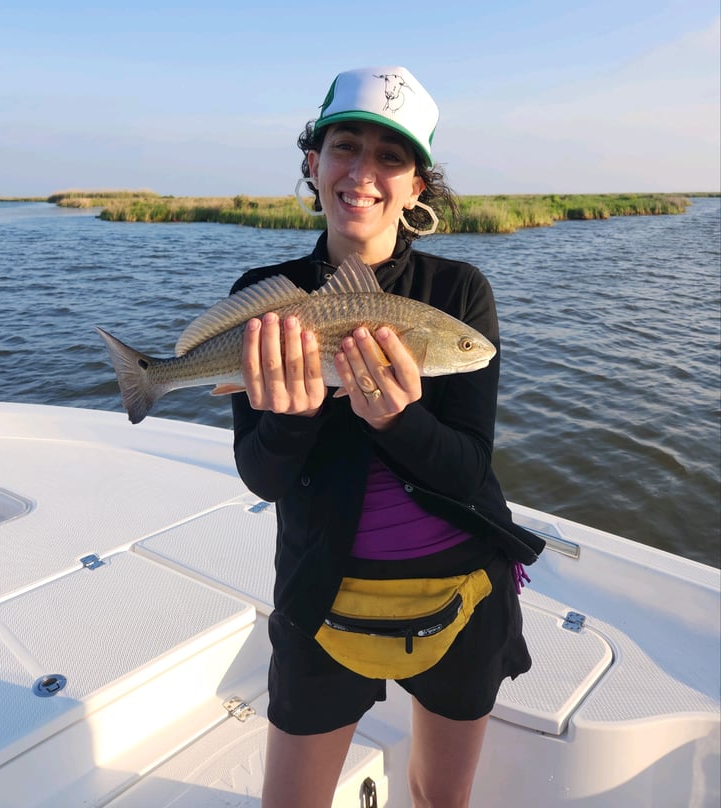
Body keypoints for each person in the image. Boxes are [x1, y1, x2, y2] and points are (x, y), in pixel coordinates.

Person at [230, 66, 544, 808]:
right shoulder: (266, 295)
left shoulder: (457, 294)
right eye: (345, 146)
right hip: (321, 597)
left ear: (416, 187)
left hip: (463, 595)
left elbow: (469, 472)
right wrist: (290, 417)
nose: (363, 172)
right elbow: (262, 478)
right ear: (313, 163)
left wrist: (397, 420)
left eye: (391, 158)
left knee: (442, 799)